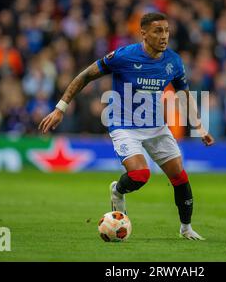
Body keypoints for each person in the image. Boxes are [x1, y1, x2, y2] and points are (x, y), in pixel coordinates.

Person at [39, 12, 214, 240]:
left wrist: (199, 126)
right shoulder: (123, 56)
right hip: (124, 124)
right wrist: (60, 107)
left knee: (180, 177)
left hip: (156, 126)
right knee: (141, 174)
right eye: (157, 31)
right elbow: (85, 76)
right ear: (143, 33)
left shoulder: (173, 61)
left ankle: (186, 228)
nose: (164, 36)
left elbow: (183, 93)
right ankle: (118, 190)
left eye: (167, 31)